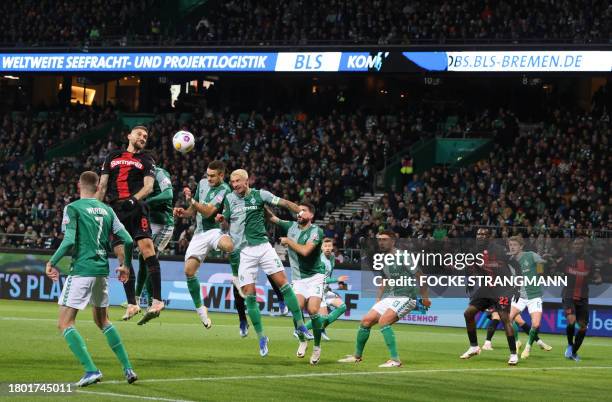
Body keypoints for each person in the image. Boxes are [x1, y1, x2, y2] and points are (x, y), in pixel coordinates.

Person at [46, 171, 137, 387]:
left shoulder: (74, 208)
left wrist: (52, 262)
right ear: (98, 187)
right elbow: (128, 239)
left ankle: (91, 370)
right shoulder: (107, 210)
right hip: (101, 271)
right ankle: (128, 368)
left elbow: (68, 241)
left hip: (82, 271)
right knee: (103, 321)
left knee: (65, 323)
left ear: (79, 185)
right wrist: (125, 266)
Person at [218, 169, 310, 357]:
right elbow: (225, 221)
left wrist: (299, 210)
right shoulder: (229, 199)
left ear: (246, 181)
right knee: (249, 296)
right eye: (232, 182)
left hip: (263, 247)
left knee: (284, 284)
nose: (234, 185)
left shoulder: (261, 195)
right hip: (244, 252)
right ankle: (261, 337)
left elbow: (282, 202)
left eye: (237, 181)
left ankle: (300, 325)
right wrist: (221, 220)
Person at [96, 125, 163, 322]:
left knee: (147, 249)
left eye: (145, 136)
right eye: (139, 134)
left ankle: (157, 300)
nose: (143, 137)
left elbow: (149, 186)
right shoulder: (113, 156)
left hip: (136, 208)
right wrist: (96, 208)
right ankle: (132, 304)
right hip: (115, 211)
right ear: (129, 136)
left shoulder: (146, 160)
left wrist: (134, 200)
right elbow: (102, 185)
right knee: (122, 258)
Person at [339, 230, 430, 367]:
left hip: (406, 297)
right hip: (391, 296)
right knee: (365, 321)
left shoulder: (403, 256)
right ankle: (357, 356)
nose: (381, 242)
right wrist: (378, 300)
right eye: (379, 239)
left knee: (384, 321)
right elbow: (384, 280)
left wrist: (425, 298)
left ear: (393, 241)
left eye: (384, 239)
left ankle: (395, 360)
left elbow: (421, 276)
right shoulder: (382, 258)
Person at [172, 160, 234, 328]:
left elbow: (207, 213)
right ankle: (201, 309)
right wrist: (183, 213)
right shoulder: (202, 183)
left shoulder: (225, 189)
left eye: (213, 176)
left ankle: (240, 273)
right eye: (207, 174)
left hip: (214, 231)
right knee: (188, 271)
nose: (209, 178)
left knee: (229, 247)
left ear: (222, 175)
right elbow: (194, 211)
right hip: (199, 234)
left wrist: (191, 200)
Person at [267, 202, 326, 364]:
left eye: (303, 211)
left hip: (315, 276)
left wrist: (288, 241)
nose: (299, 213)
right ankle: (302, 338)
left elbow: (306, 251)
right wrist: (258, 200)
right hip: (298, 278)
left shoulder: (316, 231)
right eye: (298, 210)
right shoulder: (291, 226)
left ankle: (317, 347)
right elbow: (272, 217)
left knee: (313, 310)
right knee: (296, 308)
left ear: (311, 215)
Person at [460, 228, 518, 365]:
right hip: (486, 289)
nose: (480, 236)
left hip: (503, 288)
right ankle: (474, 347)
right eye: (478, 234)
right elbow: (473, 267)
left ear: (489, 237)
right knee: (468, 313)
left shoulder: (499, 250)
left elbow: (516, 264)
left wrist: (517, 287)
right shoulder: (475, 252)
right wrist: (470, 280)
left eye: (483, 234)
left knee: (505, 319)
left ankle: (514, 354)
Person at [134, 165, 175, 308]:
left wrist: (148, 202)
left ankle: (153, 301)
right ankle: (138, 299)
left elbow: (169, 194)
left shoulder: (159, 173)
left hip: (164, 224)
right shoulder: (140, 177)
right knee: (143, 258)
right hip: (151, 222)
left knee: (149, 260)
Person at [559, 238, 602, 361]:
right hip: (568, 295)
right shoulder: (567, 258)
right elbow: (556, 269)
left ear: (584, 246)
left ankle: (573, 352)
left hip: (583, 297)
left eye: (580, 244)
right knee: (571, 320)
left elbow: (596, 274)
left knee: (583, 327)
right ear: (572, 246)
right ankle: (570, 344)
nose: (577, 246)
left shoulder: (590, 260)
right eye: (575, 244)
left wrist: (598, 279)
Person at [507, 235, 548, 359]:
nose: (512, 247)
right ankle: (516, 341)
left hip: (534, 295)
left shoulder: (530, 255)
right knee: (507, 319)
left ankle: (528, 347)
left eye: (514, 245)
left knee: (535, 324)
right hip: (519, 295)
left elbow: (541, 262)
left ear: (521, 246)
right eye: (510, 245)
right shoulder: (509, 260)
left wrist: (540, 273)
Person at [305, 238, 348, 340]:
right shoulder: (320, 261)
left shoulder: (332, 258)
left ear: (332, 247)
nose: (328, 248)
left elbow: (328, 275)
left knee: (342, 307)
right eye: (325, 246)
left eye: (329, 246)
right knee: (323, 317)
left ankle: (322, 328)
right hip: (317, 291)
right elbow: (322, 279)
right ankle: (301, 329)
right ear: (321, 248)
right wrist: (337, 279)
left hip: (325, 290)